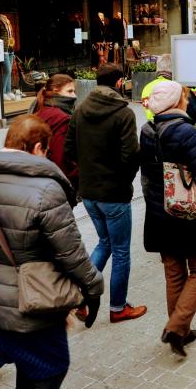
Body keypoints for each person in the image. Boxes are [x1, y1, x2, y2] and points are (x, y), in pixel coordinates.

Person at [0, 115, 104, 389]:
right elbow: (72, 254)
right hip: (35, 309)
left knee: (29, 370)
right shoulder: (45, 191)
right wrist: (93, 290)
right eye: (47, 151)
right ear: (38, 147)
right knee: (52, 370)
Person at [140, 81, 196, 356]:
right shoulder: (186, 131)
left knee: (174, 272)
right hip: (186, 213)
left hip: (157, 213)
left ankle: (180, 329)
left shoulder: (146, 129)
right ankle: (177, 327)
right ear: (178, 102)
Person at [65, 64, 147, 323]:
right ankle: (118, 307)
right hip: (114, 193)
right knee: (121, 250)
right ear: (120, 82)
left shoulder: (79, 110)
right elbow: (130, 155)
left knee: (105, 243)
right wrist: (125, 179)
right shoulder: (123, 114)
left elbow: (69, 150)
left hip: (89, 192)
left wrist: (88, 171)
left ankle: (80, 296)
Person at [142, 54, 196, 125]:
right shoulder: (179, 89)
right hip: (179, 133)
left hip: (154, 131)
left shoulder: (147, 87)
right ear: (176, 69)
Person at [34, 74, 78, 186]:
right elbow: (60, 157)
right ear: (55, 91)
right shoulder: (62, 118)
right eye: (70, 91)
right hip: (56, 181)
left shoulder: (39, 110)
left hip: (38, 174)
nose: (74, 96)